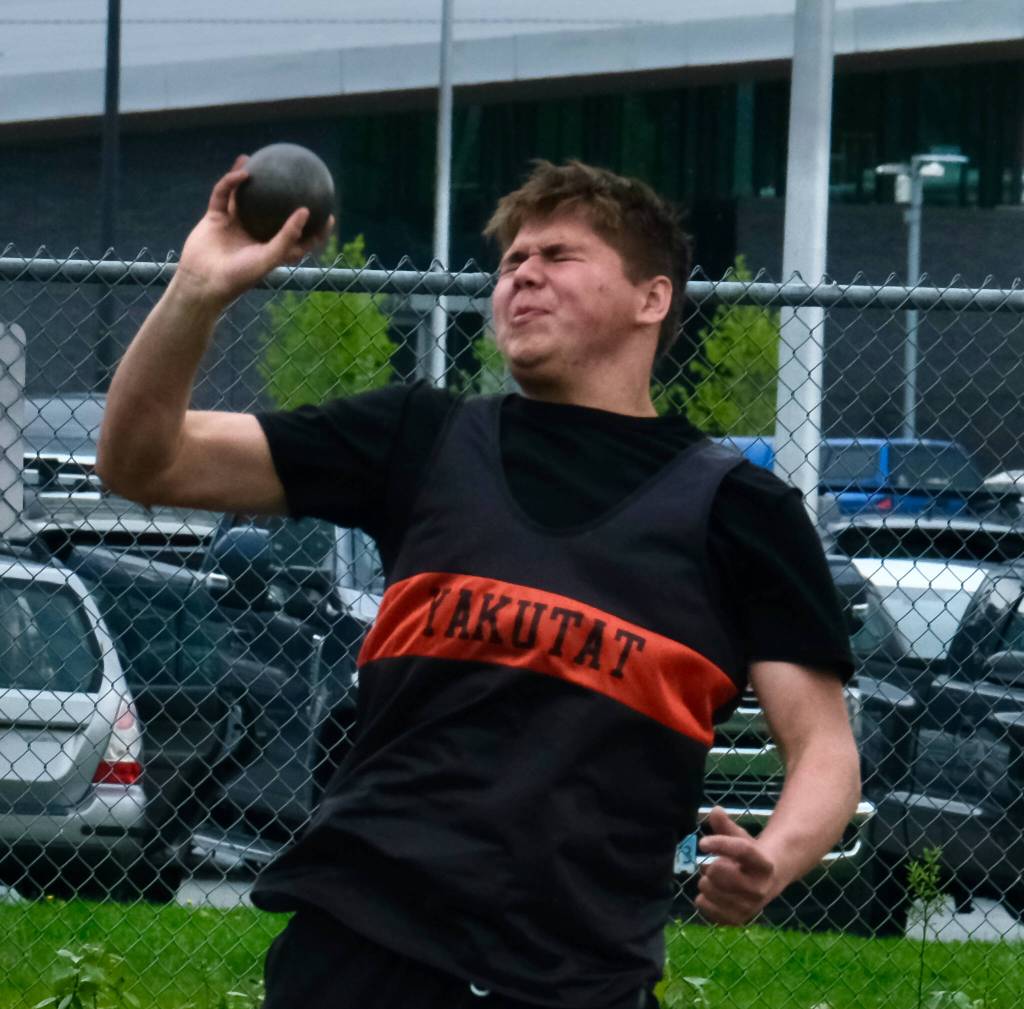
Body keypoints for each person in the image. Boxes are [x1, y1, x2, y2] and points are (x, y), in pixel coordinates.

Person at [98, 157, 861, 1009]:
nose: (522, 273)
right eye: (509, 262)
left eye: (559, 255)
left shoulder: (739, 509)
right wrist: (197, 291)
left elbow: (826, 749)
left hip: (579, 975)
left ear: (653, 298)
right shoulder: (417, 439)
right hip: (363, 948)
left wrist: (776, 858)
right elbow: (142, 460)